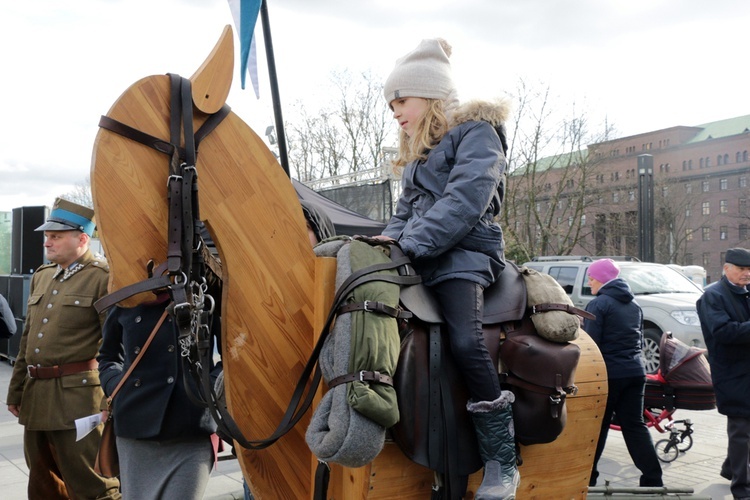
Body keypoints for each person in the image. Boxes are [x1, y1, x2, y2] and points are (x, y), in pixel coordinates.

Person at [373, 38, 514, 499]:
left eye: (402, 100)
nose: (395, 111)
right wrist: (383, 245)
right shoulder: (418, 154)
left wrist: (409, 245)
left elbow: (465, 201)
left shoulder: (478, 132)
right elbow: (404, 211)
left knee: (465, 339)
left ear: (431, 96)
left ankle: (502, 459)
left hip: (464, 255)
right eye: (391, 104)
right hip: (422, 253)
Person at [6, 197, 121, 499]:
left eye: (56, 236)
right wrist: (16, 391)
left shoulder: (104, 278)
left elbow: (116, 348)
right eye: (46, 236)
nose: (47, 242)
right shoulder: (42, 276)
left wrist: (113, 401)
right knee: (45, 484)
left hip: (79, 403)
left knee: (94, 486)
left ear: (82, 238)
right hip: (36, 400)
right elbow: (29, 339)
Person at [583, 258, 663, 488]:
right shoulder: (633, 305)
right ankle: (653, 480)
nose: (589, 283)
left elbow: (591, 346)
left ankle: (588, 479)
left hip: (608, 376)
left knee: (596, 428)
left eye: (591, 278)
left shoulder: (598, 305)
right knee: (635, 426)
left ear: (602, 279)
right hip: (635, 373)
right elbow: (637, 340)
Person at [696, 247, 750, 499]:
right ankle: (742, 489)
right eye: (741, 269)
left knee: (744, 429)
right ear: (726, 268)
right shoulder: (713, 296)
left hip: (745, 371)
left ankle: (731, 469)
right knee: (740, 430)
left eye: (749, 270)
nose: (746, 274)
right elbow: (724, 332)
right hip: (731, 373)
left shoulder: (745, 292)